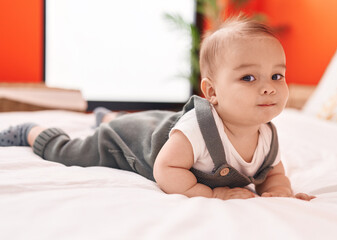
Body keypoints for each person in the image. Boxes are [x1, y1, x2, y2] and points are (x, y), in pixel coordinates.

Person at [0, 16, 315, 201]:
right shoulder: (198, 131)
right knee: (71, 152)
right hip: (128, 141)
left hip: (162, 125)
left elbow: (271, 171)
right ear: (211, 92)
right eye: (248, 77)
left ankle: (108, 114)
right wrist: (213, 194)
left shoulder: (267, 136)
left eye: (277, 75)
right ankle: (33, 132)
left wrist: (279, 190)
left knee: (155, 124)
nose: (269, 87)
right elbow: (167, 169)